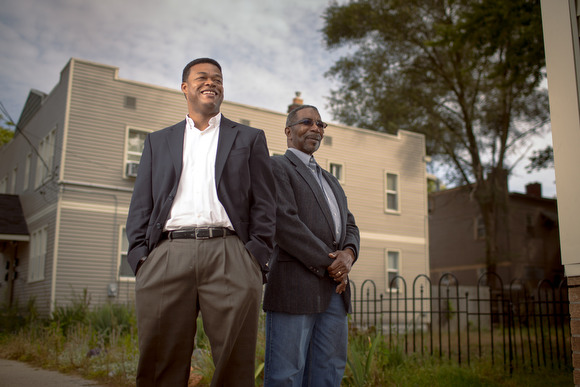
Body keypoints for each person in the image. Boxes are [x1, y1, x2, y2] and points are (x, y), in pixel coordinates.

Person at [125, 58, 276, 387]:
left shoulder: (249, 138)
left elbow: (266, 203)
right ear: (185, 87)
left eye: (218, 78)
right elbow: (141, 205)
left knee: (234, 362)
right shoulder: (157, 141)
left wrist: (256, 256)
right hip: (167, 254)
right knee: (159, 359)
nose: (211, 82)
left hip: (230, 253)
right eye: (202, 77)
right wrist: (139, 256)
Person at [263, 105, 360, 386]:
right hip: (295, 286)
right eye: (307, 122)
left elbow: (350, 225)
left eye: (321, 124)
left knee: (328, 372)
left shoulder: (332, 181)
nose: (316, 128)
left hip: (334, 293)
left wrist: (349, 254)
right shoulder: (276, 166)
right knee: (286, 375)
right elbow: (284, 223)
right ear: (288, 131)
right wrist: (333, 264)